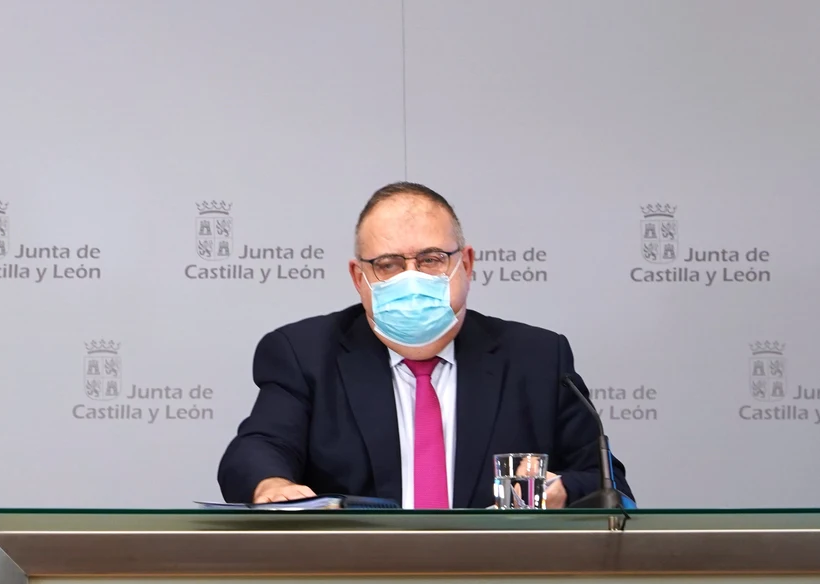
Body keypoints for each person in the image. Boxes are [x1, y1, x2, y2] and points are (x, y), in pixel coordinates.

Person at [218, 182, 632, 509]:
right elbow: (258, 448)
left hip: (501, 583)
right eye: (389, 264)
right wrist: (271, 484)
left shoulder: (538, 357)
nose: (411, 278)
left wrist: (560, 491)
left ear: (465, 264)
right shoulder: (305, 353)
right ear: (358, 277)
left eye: (432, 259)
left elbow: (606, 481)